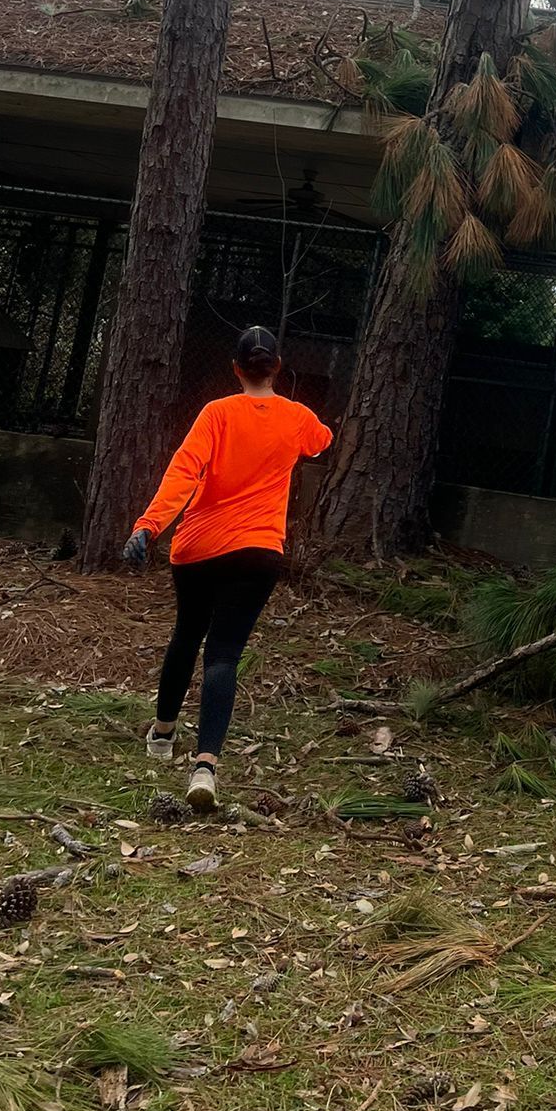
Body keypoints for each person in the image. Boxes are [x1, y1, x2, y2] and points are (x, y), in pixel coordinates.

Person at [123, 326, 332, 812]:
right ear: (277, 366)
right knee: (223, 656)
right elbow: (320, 442)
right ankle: (206, 767)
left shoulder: (217, 413)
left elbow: (183, 470)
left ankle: (162, 733)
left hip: (198, 547)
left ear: (236, 368)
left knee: (186, 635)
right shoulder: (298, 417)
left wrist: (149, 526)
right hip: (258, 551)